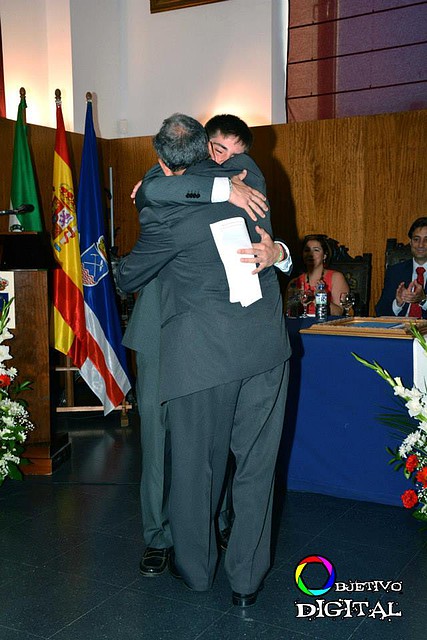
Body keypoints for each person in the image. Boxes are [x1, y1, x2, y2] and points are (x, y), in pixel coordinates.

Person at [117, 113, 291, 607]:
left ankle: (195, 572)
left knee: (195, 467)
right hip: (264, 349)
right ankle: (246, 583)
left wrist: (113, 269)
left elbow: (132, 271)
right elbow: (175, 183)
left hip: (202, 356)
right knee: (257, 469)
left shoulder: (165, 208)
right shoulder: (249, 179)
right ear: (208, 153)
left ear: (160, 162)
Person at [285, 234, 349, 316]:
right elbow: (286, 314)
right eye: (307, 250)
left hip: (326, 326)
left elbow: (339, 312)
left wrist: (318, 299)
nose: (310, 254)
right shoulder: (294, 282)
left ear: (324, 255)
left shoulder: (336, 277)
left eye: (316, 250)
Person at [376, 217, 427, 318]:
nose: (421, 245)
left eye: (426, 240)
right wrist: (398, 303)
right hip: (400, 330)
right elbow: (380, 311)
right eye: (416, 239)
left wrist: (423, 300)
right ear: (411, 242)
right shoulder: (395, 271)